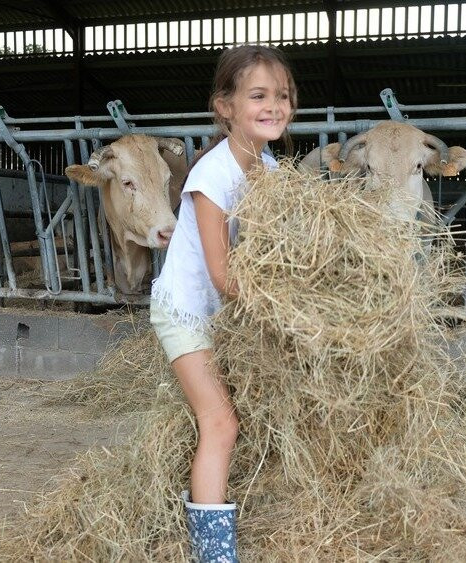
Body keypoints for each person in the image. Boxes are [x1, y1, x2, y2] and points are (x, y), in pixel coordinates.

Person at [150, 44, 297, 562]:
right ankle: (213, 554)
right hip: (188, 310)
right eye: (258, 95)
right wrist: (288, 309)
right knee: (221, 422)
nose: (273, 105)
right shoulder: (212, 176)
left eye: (282, 95)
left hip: (229, 314)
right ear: (225, 106)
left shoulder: (274, 175)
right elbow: (222, 272)